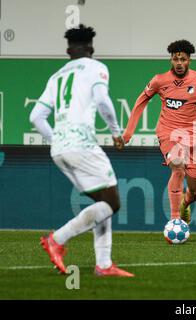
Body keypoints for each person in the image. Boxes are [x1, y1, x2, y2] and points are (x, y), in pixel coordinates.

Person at [30, 24, 133, 276]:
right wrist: (116, 132)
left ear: (68, 50)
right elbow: (102, 100)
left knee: (101, 202)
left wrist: (58, 139)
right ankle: (57, 239)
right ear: (91, 47)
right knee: (113, 202)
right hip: (82, 144)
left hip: (59, 150)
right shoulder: (96, 67)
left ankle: (104, 265)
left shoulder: (56, 77)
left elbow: (36, 117)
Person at [121, 40, 196, 224]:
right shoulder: (159, 81)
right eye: (175, 59)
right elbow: (140, 101)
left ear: (189, 60)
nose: (179, 63)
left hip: (195, 137)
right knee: (177, 165)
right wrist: (128, 132)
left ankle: (186, 203)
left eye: (183, 59)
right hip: (168, 133)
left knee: (195, 190)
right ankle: (175, 219)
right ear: (171, 59)